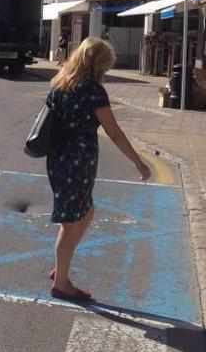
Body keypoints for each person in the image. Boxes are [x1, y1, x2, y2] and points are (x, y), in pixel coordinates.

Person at [45, 37, 151, 301]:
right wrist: (138, 162)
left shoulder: (59, 84)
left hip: (58, 159)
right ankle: (62, 283)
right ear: (100, 65)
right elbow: (114, 132)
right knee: (73, 223)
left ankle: (62, 266)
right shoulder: (93, 91)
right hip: (78, 163)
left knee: (85, 213)